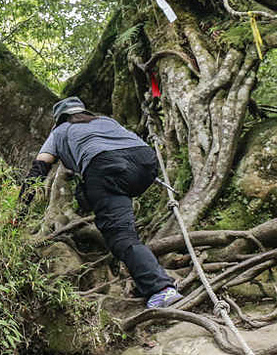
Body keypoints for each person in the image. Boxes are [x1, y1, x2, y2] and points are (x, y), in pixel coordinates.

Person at [19, 96, 181, 309]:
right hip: (144, 162)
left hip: (105, 168)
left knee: (120, 235)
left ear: (59, 119)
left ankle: (160, 289)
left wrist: (20, 210)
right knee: (101, 199)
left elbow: (39, 168)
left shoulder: (59, 131)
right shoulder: (105, 121)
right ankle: (145, 276)